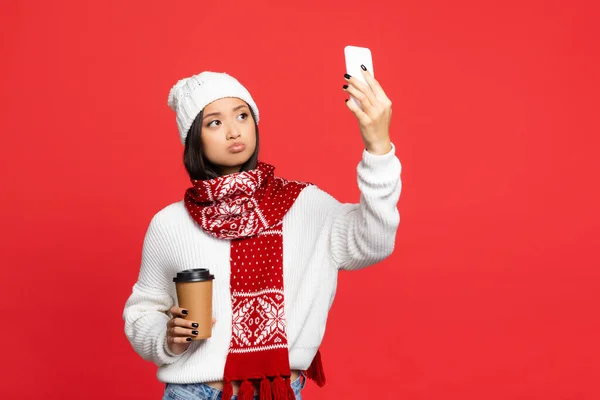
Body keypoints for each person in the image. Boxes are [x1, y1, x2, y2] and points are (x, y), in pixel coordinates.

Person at [122, 68, 402, 400]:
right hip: (194, 393)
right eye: (214, 122)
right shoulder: (170, 224)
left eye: (242, 115)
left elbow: (375, 241)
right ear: (193, 136)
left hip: (278, 391)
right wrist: (166, 338)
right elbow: (142, 312)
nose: (233, 131)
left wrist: (378, 147)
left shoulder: (305, 205)